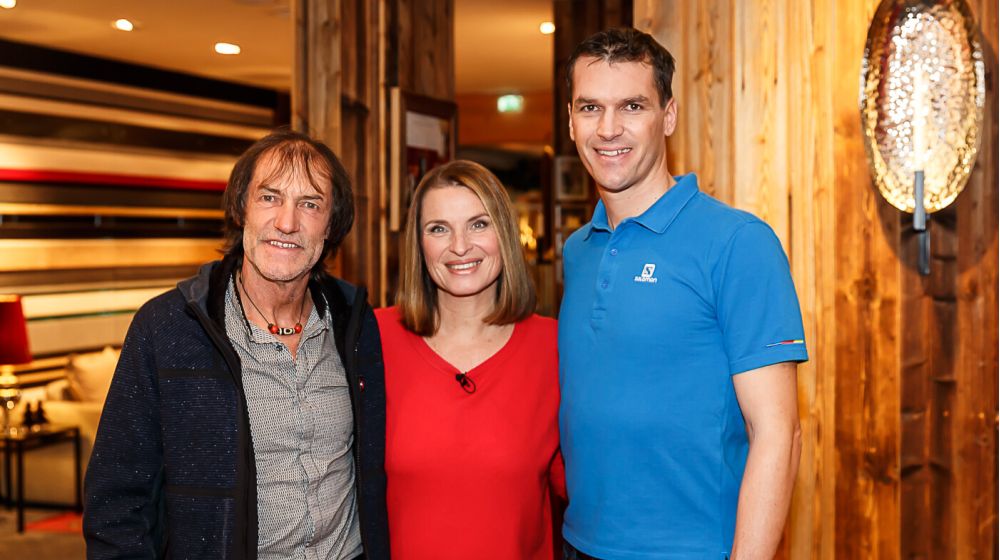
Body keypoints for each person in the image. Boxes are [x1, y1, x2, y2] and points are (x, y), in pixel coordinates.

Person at [558, 28, 808, 559]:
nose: (608, 129)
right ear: (571, 121)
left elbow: (778, 433)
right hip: (579, 542)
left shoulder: (739, 242)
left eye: (632, 105)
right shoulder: (579, 251)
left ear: (667, 116)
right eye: (589, 108)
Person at [83, 129, 389, 560]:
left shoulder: (356, 328)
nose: (287, 222)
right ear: (241, 207)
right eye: (270, 197)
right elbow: (117, 500)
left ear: (331, 225)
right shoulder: (168, 327)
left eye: (310, 204)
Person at [375, 160, 564, 560]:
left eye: (479, 224)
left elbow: (593, 491)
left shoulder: (555, 348)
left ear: (505, 234)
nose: (460, 246)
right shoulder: (373, 340)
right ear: (418, 243)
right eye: (438, 228)